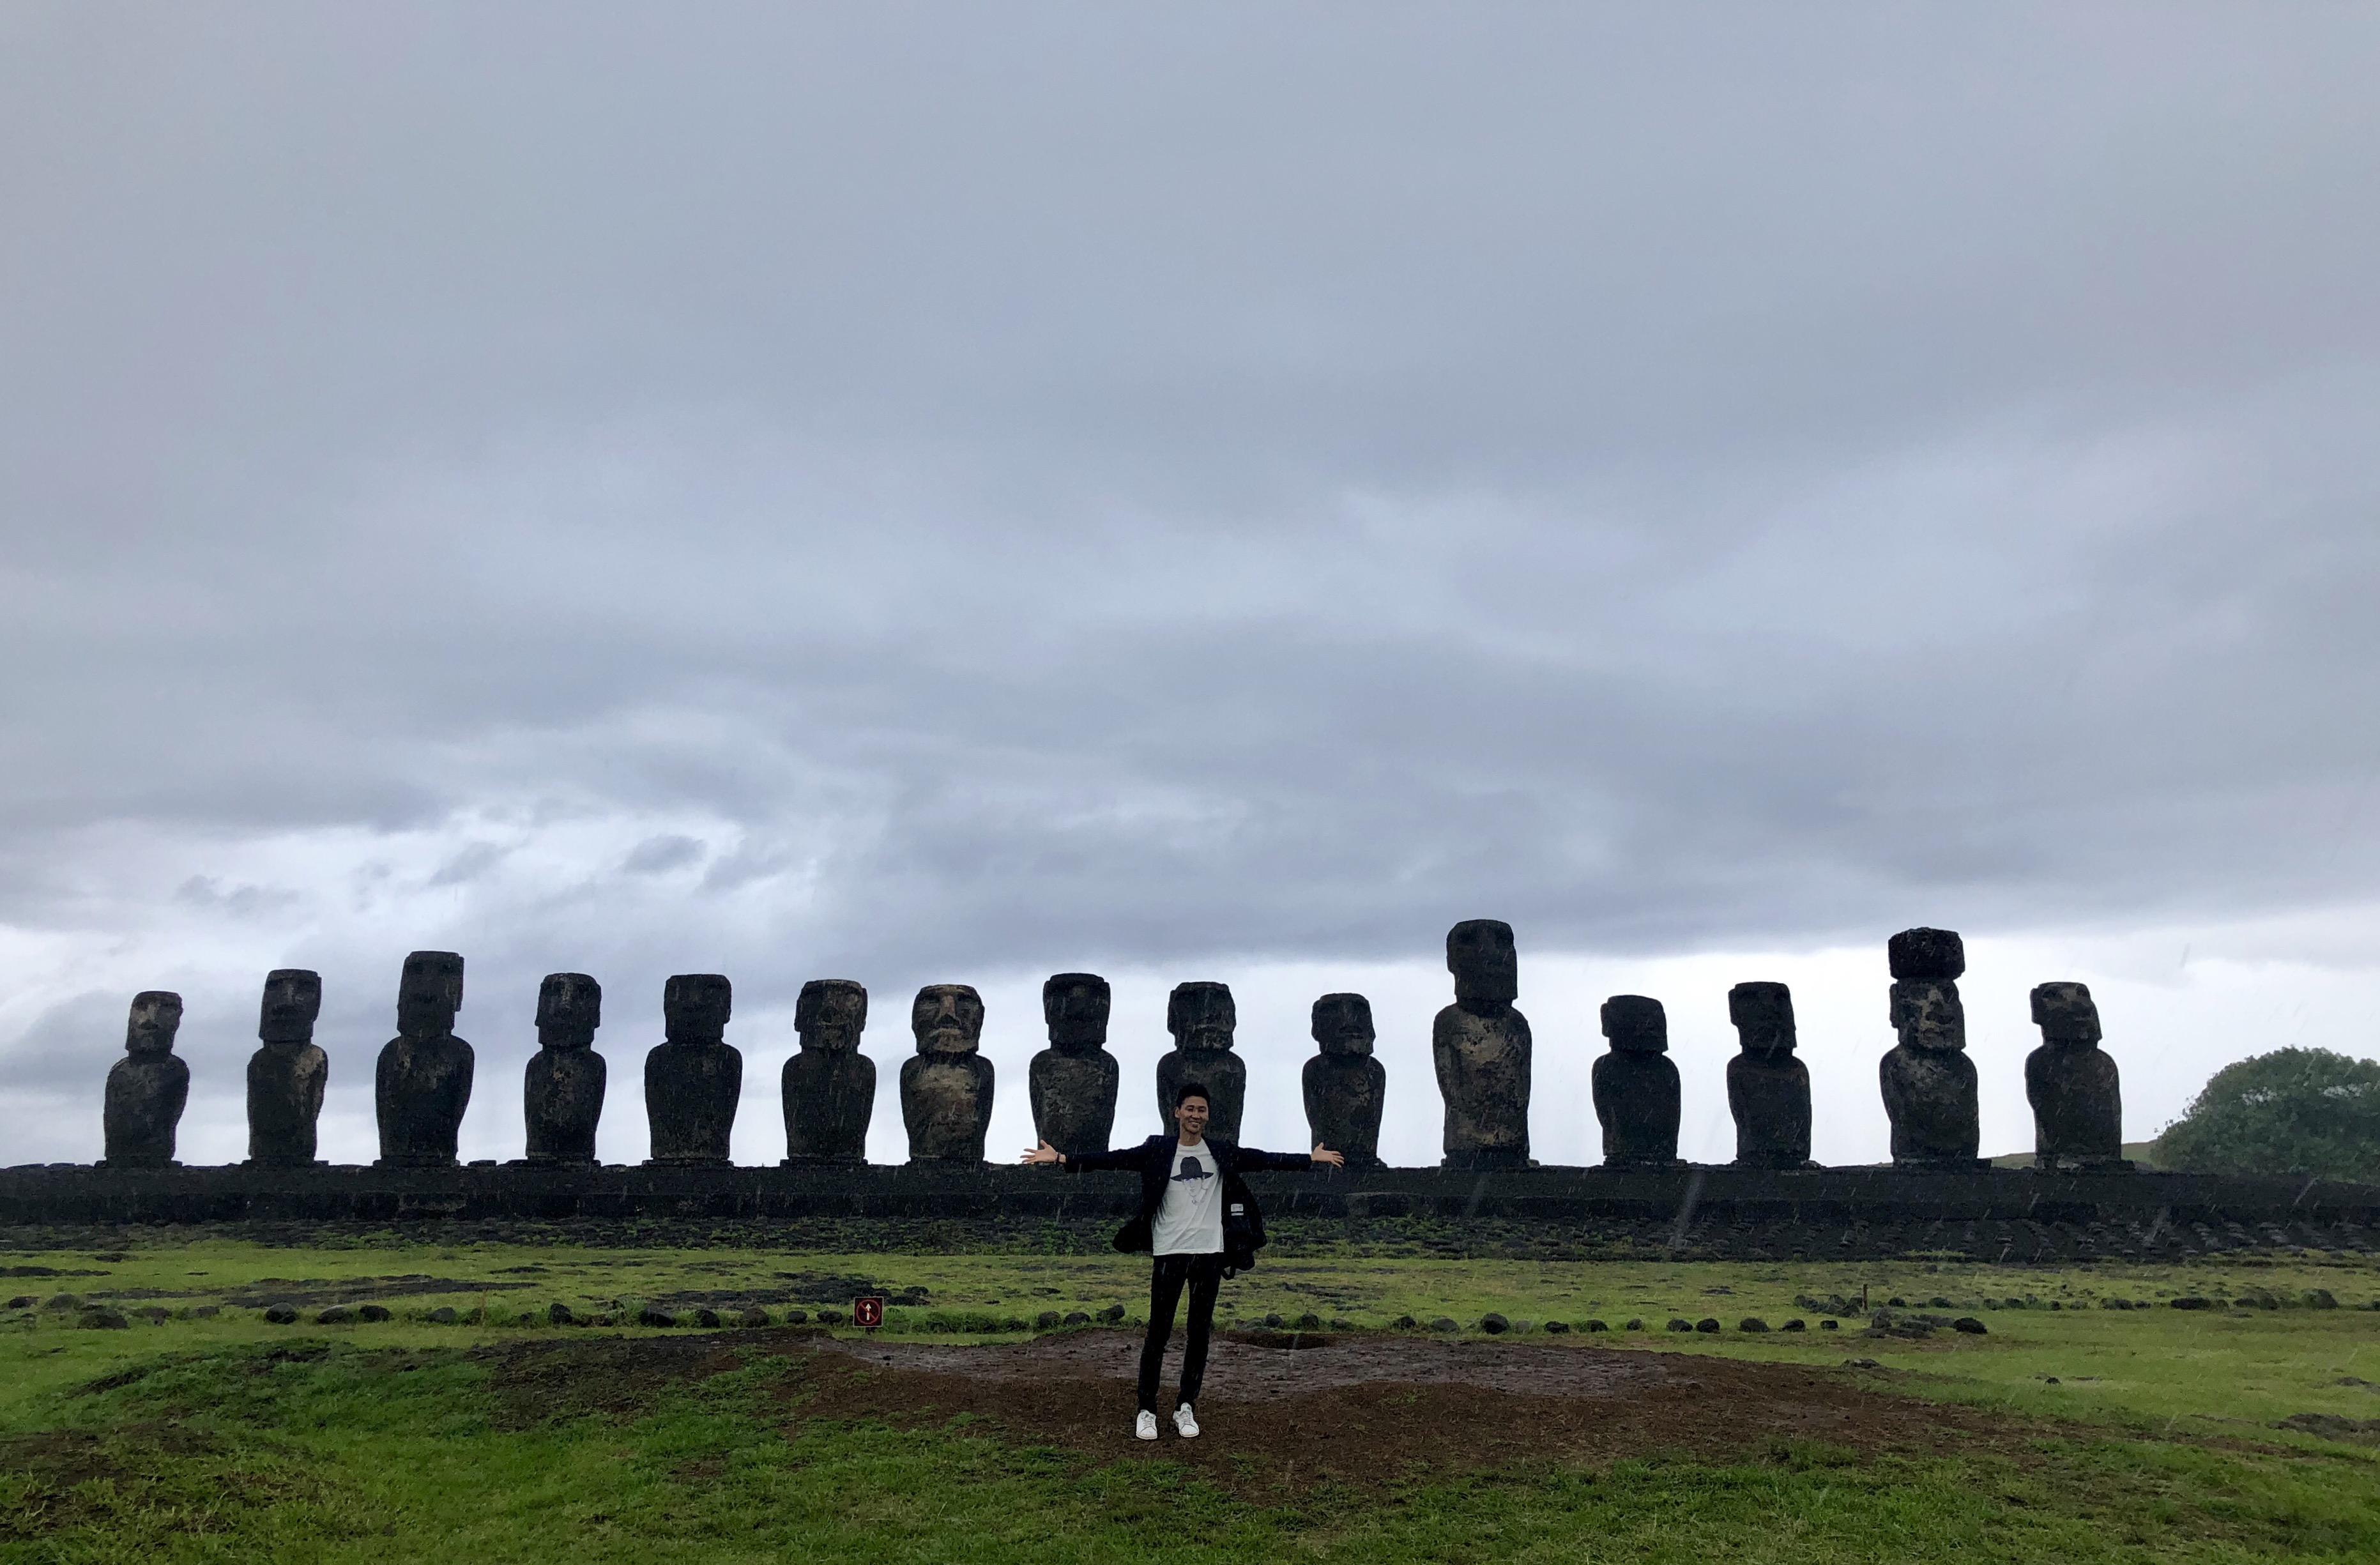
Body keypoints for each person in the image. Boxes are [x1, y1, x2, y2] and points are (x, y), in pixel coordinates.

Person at [1024, 1081, 1344, 1440]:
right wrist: (1063, 1158)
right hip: (1169, 1255)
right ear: (1177, 1112)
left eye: (1201, 1110)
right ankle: (1147, 1409)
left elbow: (1264, 1159)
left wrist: (1309, 1159)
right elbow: (1114, 1159)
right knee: (1158, 1333)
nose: (1196, 1115)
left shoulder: (1221, 1152)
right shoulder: (1157, 1150)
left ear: (1208, 1116)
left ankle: (1185, 1406)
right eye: (1190, 1109)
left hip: (1209, 1255)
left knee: (1199, 1334)